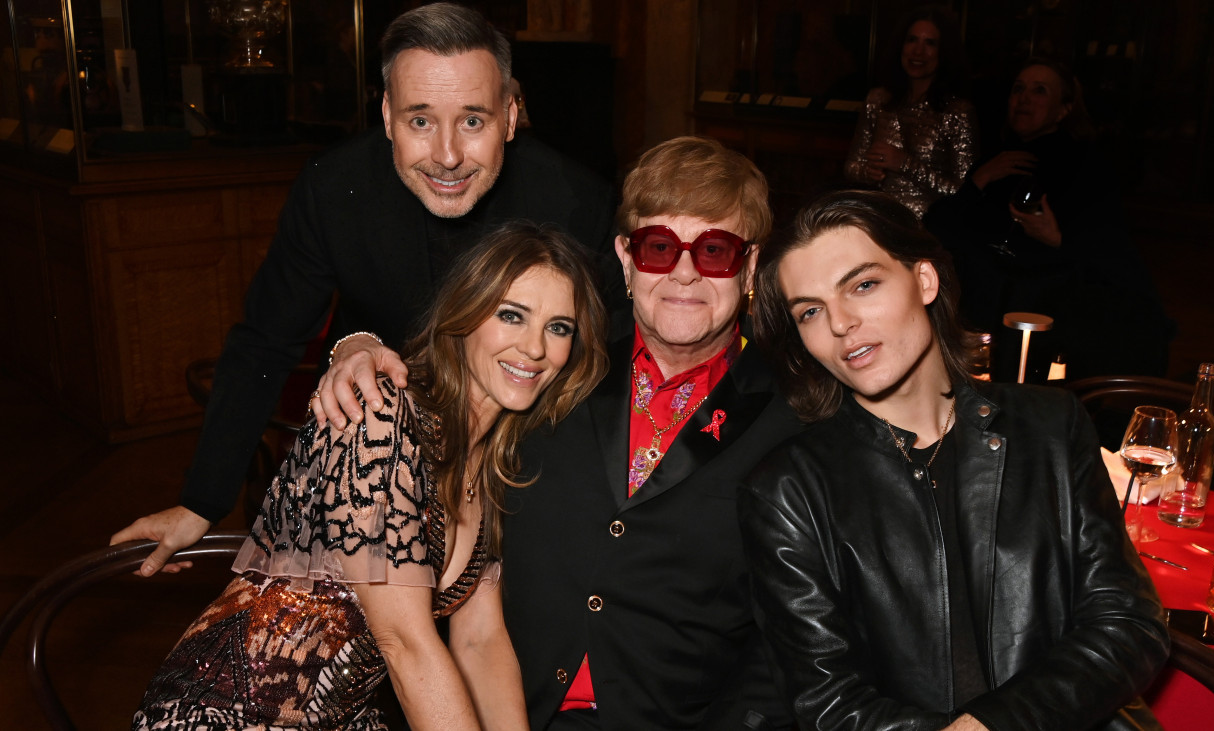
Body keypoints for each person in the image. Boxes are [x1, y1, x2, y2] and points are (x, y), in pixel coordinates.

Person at [110, 3, 617, 577]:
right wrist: (201, 502)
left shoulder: (577, 203)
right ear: (385, 114)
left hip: (518, 484)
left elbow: (605, 372)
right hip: (373, 481)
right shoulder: (334, 188)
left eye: (472, 121)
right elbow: (266, 340)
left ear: (509, 113)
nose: (447, 156)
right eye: (419, 121)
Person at [318, 136, 804, 730]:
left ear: (750, 266)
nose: (683, 273)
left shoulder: (795, 419)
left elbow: (785, 634)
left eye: (715, 250)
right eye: (659, 247)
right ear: (626, 258)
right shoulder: (557, 358)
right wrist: (357, 345)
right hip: (507, 711)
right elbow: (453, 347)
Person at [132, 222, 609, 730]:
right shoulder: (383, 418)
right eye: (512, 316)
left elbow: (480, 640)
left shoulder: (491, 458)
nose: (535, 349)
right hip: (226, 714)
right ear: (465, 316)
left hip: (344, 718)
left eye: (559, 328)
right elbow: (404, 643)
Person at [740, 189, 1170, 730]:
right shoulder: (788, 490)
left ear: (924, 280)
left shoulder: (1050, 428)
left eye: (864, 285)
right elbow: (826, 703)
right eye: (811, 311)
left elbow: (1129, 624)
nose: (841, 323)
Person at [924, 58, 1171, 380]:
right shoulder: (996, 159)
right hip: (981, 288)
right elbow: (941, 225)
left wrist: (1057, 238)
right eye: (1018, 89)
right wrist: (979, 181)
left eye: (1039, 91)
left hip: (1047, 293)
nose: (1024, 98)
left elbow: (1108, 243)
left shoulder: (1085, 165)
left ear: (1063, 109)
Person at [843, 7, 977, 218]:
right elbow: (852, 166)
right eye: (912, 40)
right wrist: (868, 172)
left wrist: (905, 163)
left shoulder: (957, 112)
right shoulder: (878, 100)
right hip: (879, 220)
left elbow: (964, 193)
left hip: (929, 228)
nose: (918, 51)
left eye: (929, 43)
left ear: (943, 52)